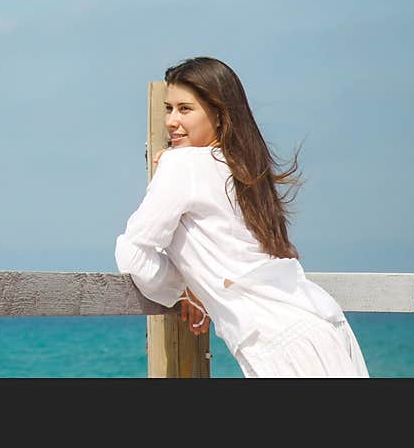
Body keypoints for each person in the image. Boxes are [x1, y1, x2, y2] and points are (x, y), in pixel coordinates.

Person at [115, 56, 369, 377]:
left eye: (185, 109)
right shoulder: (245, 168)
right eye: (168, 108)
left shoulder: (182, 166)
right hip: (323, 329)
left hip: (282, 346)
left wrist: (179, 292)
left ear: (219, 114)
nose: (170, 121)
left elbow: (133, 252)